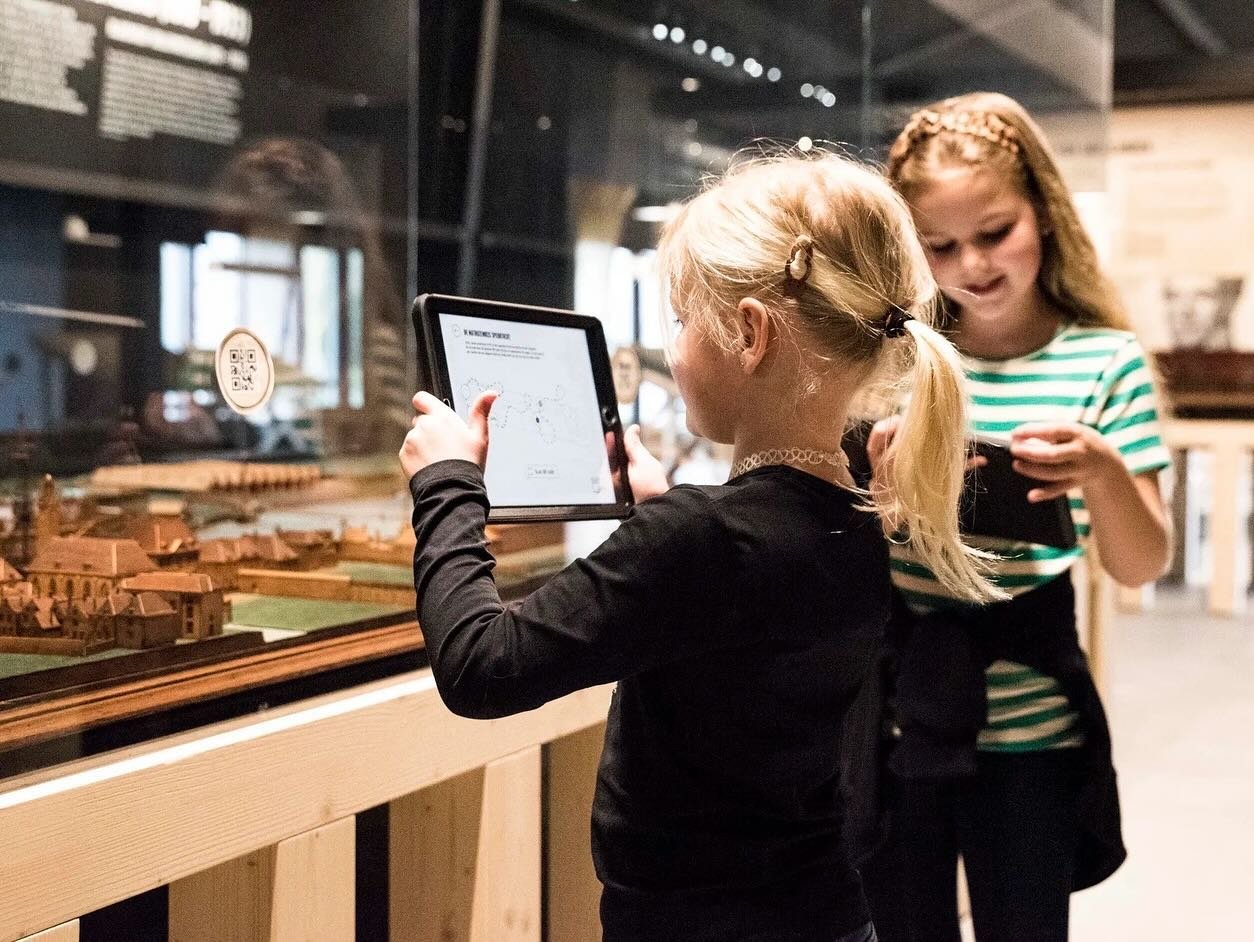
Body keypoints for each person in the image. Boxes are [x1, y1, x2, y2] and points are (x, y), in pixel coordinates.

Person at [398, 150, 1000, 942]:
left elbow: (482, 666)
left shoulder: (703, 539)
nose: (674, 349)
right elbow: (740, 594)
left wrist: (445, 483)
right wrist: (665, 507)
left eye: (682, 322)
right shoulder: (852, 520)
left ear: (750, 333)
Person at [859, 92, 1173, 942]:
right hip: (896, 718)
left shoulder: (1104, 361)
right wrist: (880, 498)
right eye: (942, 245)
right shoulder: (898, 361)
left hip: (1032, 731)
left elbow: (1142, 562)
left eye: (995, 233)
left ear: (1044, 212)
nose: (973, 264)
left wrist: (1102, 470)